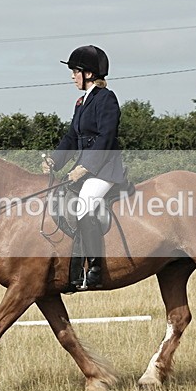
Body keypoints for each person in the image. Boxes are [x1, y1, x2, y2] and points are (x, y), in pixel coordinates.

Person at [42, 45, 128, 290]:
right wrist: (55, 161)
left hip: (105, 169)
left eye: (75, 71)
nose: (72, 76)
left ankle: (95, 270)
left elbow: (106, 137)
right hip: (86, 169)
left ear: (88, 73)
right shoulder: (81, 102)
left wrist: (85, 167)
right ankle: (73, 268)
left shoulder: (106, 99)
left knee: (84, 205)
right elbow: (71, 138)